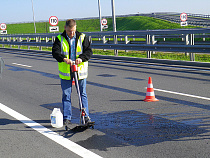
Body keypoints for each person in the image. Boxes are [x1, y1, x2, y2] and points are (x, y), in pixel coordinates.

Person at [52, 19, 93, 126]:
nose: (72, 33)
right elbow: (55, 52)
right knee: (66, 95)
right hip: (66, 71)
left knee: (82, 94)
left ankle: (86, 116)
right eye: (70, 31)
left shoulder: (83, 37)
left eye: (73, 31)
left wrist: (81, 58)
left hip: (80, 71)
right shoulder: (59, 39)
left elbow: (89, 52)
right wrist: (64, 59)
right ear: (65, 28)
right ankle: (67, 117)